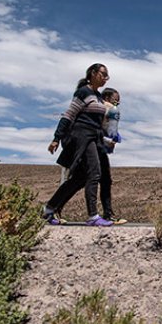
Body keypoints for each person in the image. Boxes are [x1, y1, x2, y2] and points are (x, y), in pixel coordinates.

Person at [42, 63, 113, 226]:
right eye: (103, 74)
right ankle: (93, 216)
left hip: (95, 138)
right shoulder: (83, 92)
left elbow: (100, 122)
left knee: (80, 178)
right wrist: (56, 138)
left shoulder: (98, 96)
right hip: (82, 136)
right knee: (94, 172)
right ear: (93, 73)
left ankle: (48, 209)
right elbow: (68, 115)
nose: (105, 78)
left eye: (107, 76)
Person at [100, 88, 126, 225]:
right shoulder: (106, 108)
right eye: (115, 99)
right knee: (79, 181)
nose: (117, 102)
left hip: (99, 146)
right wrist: (110, 140)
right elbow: (97, 129)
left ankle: (107, 214)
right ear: (107, 97)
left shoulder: (104, 108)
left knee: (105, 180)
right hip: (95, 146)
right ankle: (53, 207)